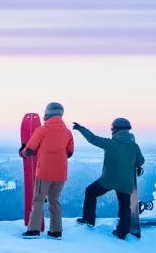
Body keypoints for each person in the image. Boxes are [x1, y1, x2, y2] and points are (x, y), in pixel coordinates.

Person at [72, 117, 145, 240]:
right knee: (125, 207)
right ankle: (122, 233)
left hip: (108, 180)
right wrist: (136, 165)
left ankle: (88, 219)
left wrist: (80, 128)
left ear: (114, 129)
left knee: (90, 192)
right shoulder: (134, 146)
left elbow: (92, 138)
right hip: (126, 182)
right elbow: (141, 161)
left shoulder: (110, 143)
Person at [19, 102, 74, 238]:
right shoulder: (67, 132)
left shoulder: (42, 130)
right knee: (54, 201)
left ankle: (33, 230)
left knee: (38, 200)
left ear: (47, 113)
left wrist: (22, 153)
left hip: (44, 172)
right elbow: (70, 152)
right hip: (60, 173)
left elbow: (30, 149)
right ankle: (56, 232)